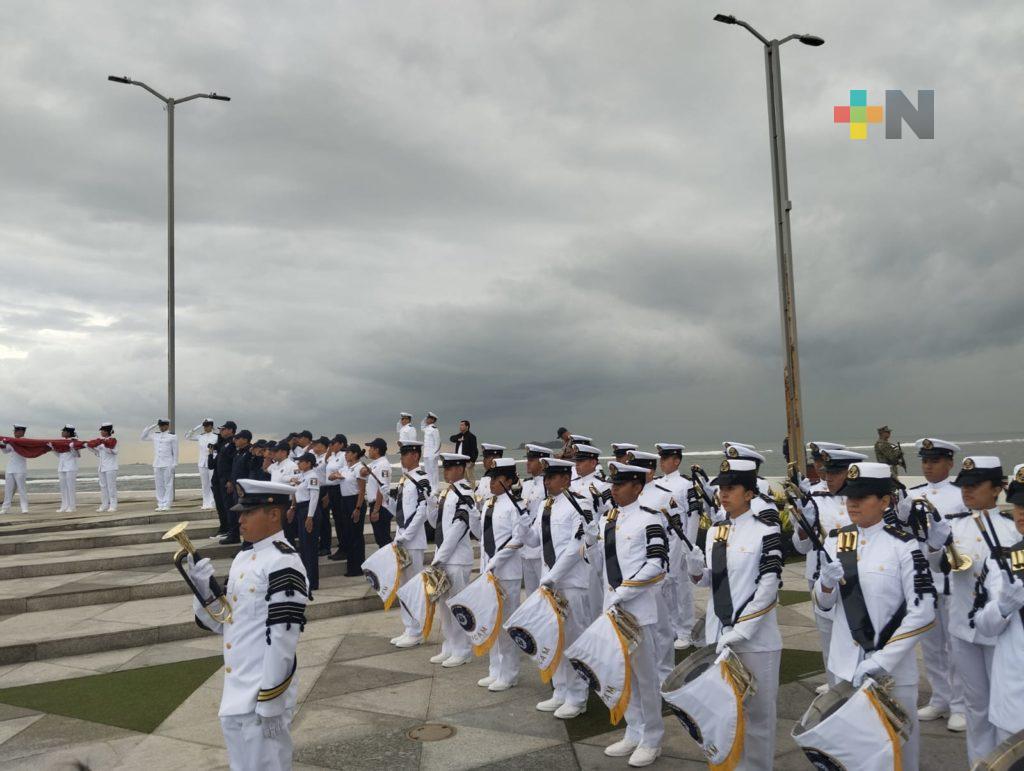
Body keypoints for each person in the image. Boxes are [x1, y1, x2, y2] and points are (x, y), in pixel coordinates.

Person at [812, 461, 937, 771]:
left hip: (892, 673)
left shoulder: (904, 546)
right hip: (845, 669)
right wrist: (825, 584)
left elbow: (923, 611)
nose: (852, 503)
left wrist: (883, 660)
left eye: (862, 496)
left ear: (884, 501)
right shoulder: (835, 541)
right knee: (849, 752)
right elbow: (823, 606)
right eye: (849, 496)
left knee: (899, 754)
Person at [187, 478, 308, 771]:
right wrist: (201, 590)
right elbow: (226, 622)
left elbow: (283, 637)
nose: (240, 519)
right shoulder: (243, 557)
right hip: (236, 688)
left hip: (261, 691)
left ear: (274, 514)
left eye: (248, 512)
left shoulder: (284, 562)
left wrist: (271, 699)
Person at [687, 457, 783, 770]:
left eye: (732, 488)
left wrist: (741, 630)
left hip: (755, 641)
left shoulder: (766, 531)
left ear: (750, 493)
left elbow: (768, 587)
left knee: (758, 719)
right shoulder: (716, 530)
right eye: (721, 488)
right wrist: (696, 570)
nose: (723, 494)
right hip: (719, 636)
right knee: (725, 712)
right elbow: (713, 580)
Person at [942, 455, 1018, 764]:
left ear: (997, 488)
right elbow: (935, 565)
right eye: (964, 485)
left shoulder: (1013, 527)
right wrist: (934, 546)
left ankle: (1006, 763)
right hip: (963, 624)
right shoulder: (951, 524)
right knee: (975, 706)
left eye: (975, 485)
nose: (967, 490)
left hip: (1002, 630)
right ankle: (980, 763)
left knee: (1003, 707)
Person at [511, 456, 594, 719]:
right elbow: (535, 540)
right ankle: (560, 690)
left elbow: (576, 547)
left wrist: (553, 577)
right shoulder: (547, 505)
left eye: (552, 477)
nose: (547, 482)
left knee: (574, 640)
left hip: (571, 582)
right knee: (554, 637)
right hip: (550, 582)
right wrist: (523, 524)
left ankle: (578, 697)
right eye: (546, 478)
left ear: (566, 479)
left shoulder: (580, 504)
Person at [896, 438, 968, 732]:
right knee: (931, 646)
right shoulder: (913, 495)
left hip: (951, 577)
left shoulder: (961, 494)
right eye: (925, 461)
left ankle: (960, 704)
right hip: (923, 578)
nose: (928, 466)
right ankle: (940, 698)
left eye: (935, 461)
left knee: (956, 645)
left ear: (950, 463)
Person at [601, 461, 668, 767]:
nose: (614, 489)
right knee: (623, 673)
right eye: (613, 484)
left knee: (646, 677)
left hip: (638, 612)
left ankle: (652, 737)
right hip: (612, 609)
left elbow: (656, 564)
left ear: (637, 487)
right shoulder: (609, 519)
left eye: (620, 484)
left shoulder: (650, 520)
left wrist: (624, 592)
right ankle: (634, 729)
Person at [790, 447, 866, 689]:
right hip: (823, 575)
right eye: (827, 472)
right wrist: (804, 524)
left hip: (860, 577)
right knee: (828, 634)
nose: (828, 477)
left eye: (835, 473)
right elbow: (801, 546)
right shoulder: (812, 498)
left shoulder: (868, 499)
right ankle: (835, 688)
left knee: (859, 637)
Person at [973, 463, 1024, 746]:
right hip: (1013, 699)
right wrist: (1003, 607)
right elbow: (984, 626)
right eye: (1018, 504)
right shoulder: (1000, 560)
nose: (1021, 512)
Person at [470, 457, 525, 692]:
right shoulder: (489, 504)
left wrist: (496, 561)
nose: (492, 483)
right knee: (491, 621)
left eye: (497, 479)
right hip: (489, 572)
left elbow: (518, 539)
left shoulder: (515, 506)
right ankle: (495, 669)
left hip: (507, 573)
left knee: (506, 623)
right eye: (491, 478)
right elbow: (482, 537)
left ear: (509, 481)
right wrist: (472, 516)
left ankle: (509, 673)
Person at [427, 452, 475, 668]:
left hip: (456, 559)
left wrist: (439, 557)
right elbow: (436, 523)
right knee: (444, 607)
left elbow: (458, 529)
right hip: (444, 557)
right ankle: (449, 645)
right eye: (444, 468)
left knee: (457, 606)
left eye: (449, 468)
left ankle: (463, 649)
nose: (445, 472)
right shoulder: (448, 491)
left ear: (460, 469)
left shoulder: (465, 493)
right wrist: (430, 503)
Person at [654, 442, 699, 650]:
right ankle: (671, 627)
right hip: (663, 543)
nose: (661, 462)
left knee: (682, 588)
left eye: (665, 459)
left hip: (680, 543)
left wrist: (689, 546)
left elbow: (694, 515)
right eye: (661, 459)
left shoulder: (685, 485)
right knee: (665, 587)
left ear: (677, 461)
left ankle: (685, 631)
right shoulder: (657, 483)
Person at [389, 440, 433, 648]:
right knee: (403, 586)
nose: (402, 458)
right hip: (402, 538)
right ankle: (409, 627)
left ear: (415, 455)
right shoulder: (405, 479)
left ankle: (417, 630)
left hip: (413, 541)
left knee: (413, 587)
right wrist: (387, 499)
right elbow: (400, 511)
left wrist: (406, 535)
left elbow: (422, 511)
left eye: (405, 454)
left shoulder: (422, 478)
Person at [519, 444, 554, 598]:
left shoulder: (547, 485)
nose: (528, 463)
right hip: (526, 546)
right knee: (530, 595)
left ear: (542, 462)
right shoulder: (527, 484)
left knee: (544, 595)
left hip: (540, 547)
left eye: (531, 460)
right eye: (528, 460)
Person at [287, 452, 321, 594]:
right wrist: (293, 507)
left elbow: (314, 497)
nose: (298, 464)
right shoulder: (302, 476)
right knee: (304, 546)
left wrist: (310, 517)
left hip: (308, 510)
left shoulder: (313, 476)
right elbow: (296, 492)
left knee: (310, 547)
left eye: (301, 461)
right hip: (300, 509)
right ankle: (306, 578)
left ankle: (312, 581)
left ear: (308, 463)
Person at [335, 444, 367, 576]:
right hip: (345, 501)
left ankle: (357, 568)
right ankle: (351, 566)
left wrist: (357, 508)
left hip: (355, 501)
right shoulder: (345, 468)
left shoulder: (359, 468)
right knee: (348, 534)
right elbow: (331, 476)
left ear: (354, 454)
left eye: (348, 452)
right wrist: (336, 476)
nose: (345, 455)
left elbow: (362, 490)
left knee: (356, 535)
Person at [222, 430, 254, 545]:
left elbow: (250, 471)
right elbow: (234, 469)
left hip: (244, 489)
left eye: (238, 438)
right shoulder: (238, 452)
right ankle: (235, 536)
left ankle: (248, 541)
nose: (235, 440)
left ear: (245, 440)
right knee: (236, 514)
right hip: (236, 487)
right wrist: (231, 481)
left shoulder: (249, 453)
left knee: (245, 516)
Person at [360, 438, 393, 548]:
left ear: (377, 450)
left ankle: (395, 559)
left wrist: (376, 510)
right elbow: (362, 472)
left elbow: (382, 489)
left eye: (371, 448)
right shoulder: (375, 463)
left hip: (380, 506)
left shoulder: (383, 465)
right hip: (376, 505)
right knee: (380, 539)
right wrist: (365, 471)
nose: (368, 450)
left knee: (384, 540)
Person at [141, 419, 178, 512]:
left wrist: (174, 463)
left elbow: (175, 451)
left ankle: (167, 504)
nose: (161, 427)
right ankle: (160, 503)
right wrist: (152, 426)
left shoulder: (172, 437)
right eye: (160, 425)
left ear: (167, 426)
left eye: (163, 425)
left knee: (168, 484)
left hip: (168, 463)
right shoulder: (155, 435)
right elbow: (143, 437)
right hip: (157, 463)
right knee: (159, 485)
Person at [323, 435, 348, 560]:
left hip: (339, 489)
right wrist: (329, 449)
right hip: (331, 489)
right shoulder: (333, 456)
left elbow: (344, 472)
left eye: (334, 443)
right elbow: (326, 461)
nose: (332, 445)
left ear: (342, 444)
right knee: (337, 520)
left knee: (341, 520)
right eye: (331, 443)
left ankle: (344, 548)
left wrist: (335, 476)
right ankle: (341, 545)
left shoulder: (344, 456)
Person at [185, 419, 219, 510]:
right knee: (204, 484)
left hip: (212, 462)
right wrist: (198, 426)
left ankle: (212, 503)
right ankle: (205, 503)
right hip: (202, 463)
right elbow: (187, 436)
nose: (205, 428)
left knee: (212, 483)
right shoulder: (200, 436)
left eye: (207, 426)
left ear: (211, 426)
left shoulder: (216, 436)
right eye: (204, 426)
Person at [213, 422, 238, 539]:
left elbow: (233, 463)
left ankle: (231, 531)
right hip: (218, 478)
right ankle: (225, 528)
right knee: (221, 506)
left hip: (226, 479)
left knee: (228, 506)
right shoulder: (223, 443)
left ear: (231, 430)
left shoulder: (233, 443)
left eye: (223, 429)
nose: (221, 431)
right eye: (220, 430)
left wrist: (230, 480)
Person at [50, 425, 81, 513]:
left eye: (64, 431)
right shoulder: (61, 442)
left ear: (68, 432)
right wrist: (53, 449)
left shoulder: (74, 441)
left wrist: (72, 448)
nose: (62, 433)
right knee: (63, 488)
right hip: (61, 467)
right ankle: (64, 506)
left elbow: (77, 455)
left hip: (71, 467)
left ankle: (72, 506)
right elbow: (60, 456)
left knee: (70, 488)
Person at [89, 422, 118, 512]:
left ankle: (113, 505)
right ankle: (104, 504)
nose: (101, 432)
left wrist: (104, 447)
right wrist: (90, 447)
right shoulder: (101, 442)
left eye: (103, 430)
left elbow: (114, 452)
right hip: (102, 467)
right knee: (103, 487)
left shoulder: (113, 440)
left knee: (111, 487)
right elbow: (98, 453)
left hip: (111, 467)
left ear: (107, 431)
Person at [0, 423, 29, 514]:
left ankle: (24, 507)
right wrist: (2, 445)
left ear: (22, 432)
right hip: (10, 468)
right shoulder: (11, 441)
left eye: (16, 431)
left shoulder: (25, 442)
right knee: (8, 489)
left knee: (21, 489)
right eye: (14, 431)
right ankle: (5, 508)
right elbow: (6, 451)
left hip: (20, 468)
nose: (14, 432)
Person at [420, 413, 441, 489]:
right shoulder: (427, 428)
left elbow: (438, 442)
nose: (426, 419)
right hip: (426, 453)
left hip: (432, 453)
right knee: (427, 471)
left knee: (434, 471)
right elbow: (422, 426)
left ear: (432, 420)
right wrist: (425, 418)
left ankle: (435, 487)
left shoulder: (434, 429)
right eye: (427, 418)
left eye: (428, 418)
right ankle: (430, 486)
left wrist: (435, 454)